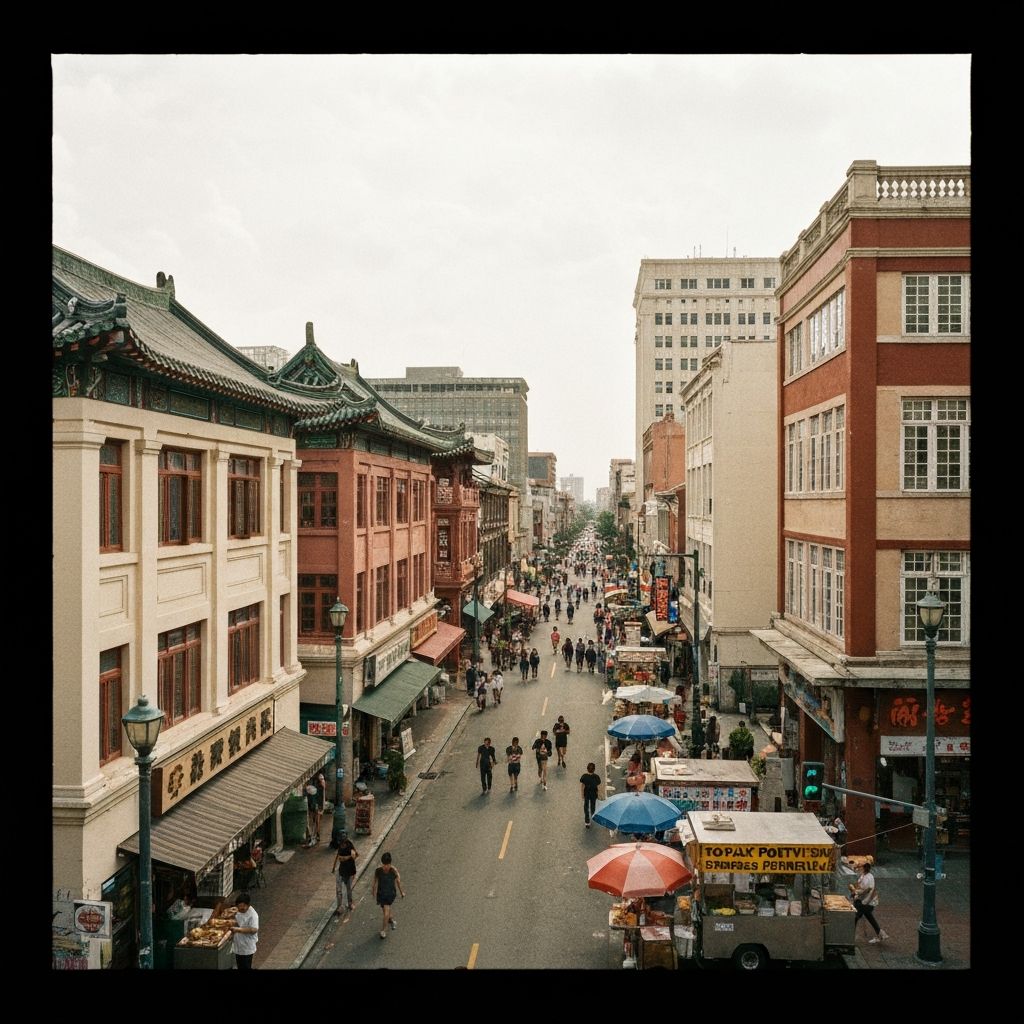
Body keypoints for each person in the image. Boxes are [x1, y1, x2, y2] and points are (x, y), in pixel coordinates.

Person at [850, 859, 888, 943]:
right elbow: (860, 886)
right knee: (869, 917)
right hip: (867, 902)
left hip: (866, 902)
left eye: (858, 867)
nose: (856, 869)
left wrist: (855, 893)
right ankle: (881, 934)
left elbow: (865, 891)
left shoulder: (867, 878)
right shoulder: (865, 875)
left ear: (863, 868)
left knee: (854, 917)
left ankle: (849, 937)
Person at [372, 852, 405, 939]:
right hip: (381, 894)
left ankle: (383, 930)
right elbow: (374, 882)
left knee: (386, 912)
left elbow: (398, 881)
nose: (386, 867)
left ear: (390, 863)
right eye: (384, 864)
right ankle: (390, 919)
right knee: (384, 910)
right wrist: (373, 891)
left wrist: (401, 892)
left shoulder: (393, 870)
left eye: (388, 864)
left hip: (390, 894)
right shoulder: (378, 871)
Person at [230, 892, 259, 969]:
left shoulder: (253, 915)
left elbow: (254, 929)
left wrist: (238, 929)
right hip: (238, 944)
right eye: (239, 906)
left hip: (247, 946)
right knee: (240, 965)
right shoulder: (238, 910)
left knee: (245, 966)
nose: (240, 909)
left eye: (243, 907)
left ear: (248, 905)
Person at [331, 830, 358, 914]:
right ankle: (339, 907)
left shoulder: (350, 845)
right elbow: (338, 857)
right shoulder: (340, 846)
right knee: (338, 890)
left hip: (349, 871)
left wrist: (351, 856)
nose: (341, 844)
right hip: (341, 870)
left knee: (348, 888)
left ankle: (350, 903)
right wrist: (334, 867)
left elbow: (356, 855)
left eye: (342, 842)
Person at [305, 772, 324, 847]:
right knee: (315, 820)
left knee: (316, 820)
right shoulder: (315, 785)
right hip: (315, 804)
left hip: (316, 804)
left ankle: (316, 835)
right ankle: (316, 835)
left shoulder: (319, 785)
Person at [580, 762, 602, 828]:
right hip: (593, 794)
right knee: (593, 805)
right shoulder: (596, 777)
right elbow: (598, 787)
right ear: (594, 769)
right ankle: (593, 815)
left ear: (587, 769)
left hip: (586, 794)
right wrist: (599, 794)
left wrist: (582, 794)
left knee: (586, 807)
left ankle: (587, 822)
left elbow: (582, 786)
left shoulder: (584, 776)